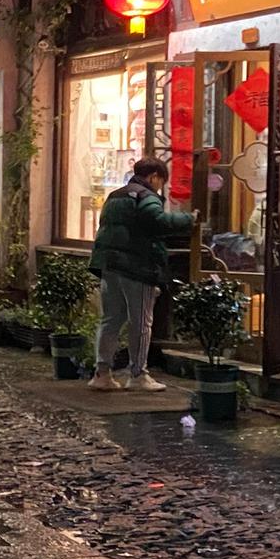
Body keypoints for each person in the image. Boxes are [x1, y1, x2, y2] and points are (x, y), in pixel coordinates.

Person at [88, 157, 195, 392]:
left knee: (110, 320)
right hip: (137, 267)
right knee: (141, 322)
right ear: (154, 176)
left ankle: (102, 374)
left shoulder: (115, 196)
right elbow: (157, 220)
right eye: (161, 182)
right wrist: (189, 219)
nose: (160, 187)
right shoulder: (146, 196)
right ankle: (138, 375)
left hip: (109, 265)